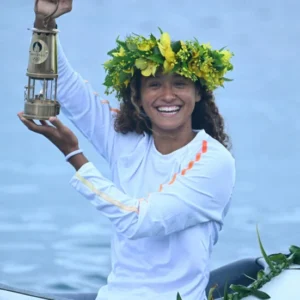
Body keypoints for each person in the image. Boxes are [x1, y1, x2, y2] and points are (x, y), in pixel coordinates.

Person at [18, 1, 236, 299]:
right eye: (155, 85)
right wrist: (45, 22)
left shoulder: (214, 162)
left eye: (180, 84)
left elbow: (139, 220)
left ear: (198, 93)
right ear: (139, 95)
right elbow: (65, 87)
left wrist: (74, 156)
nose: (168, 96)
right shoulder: (127, 140)